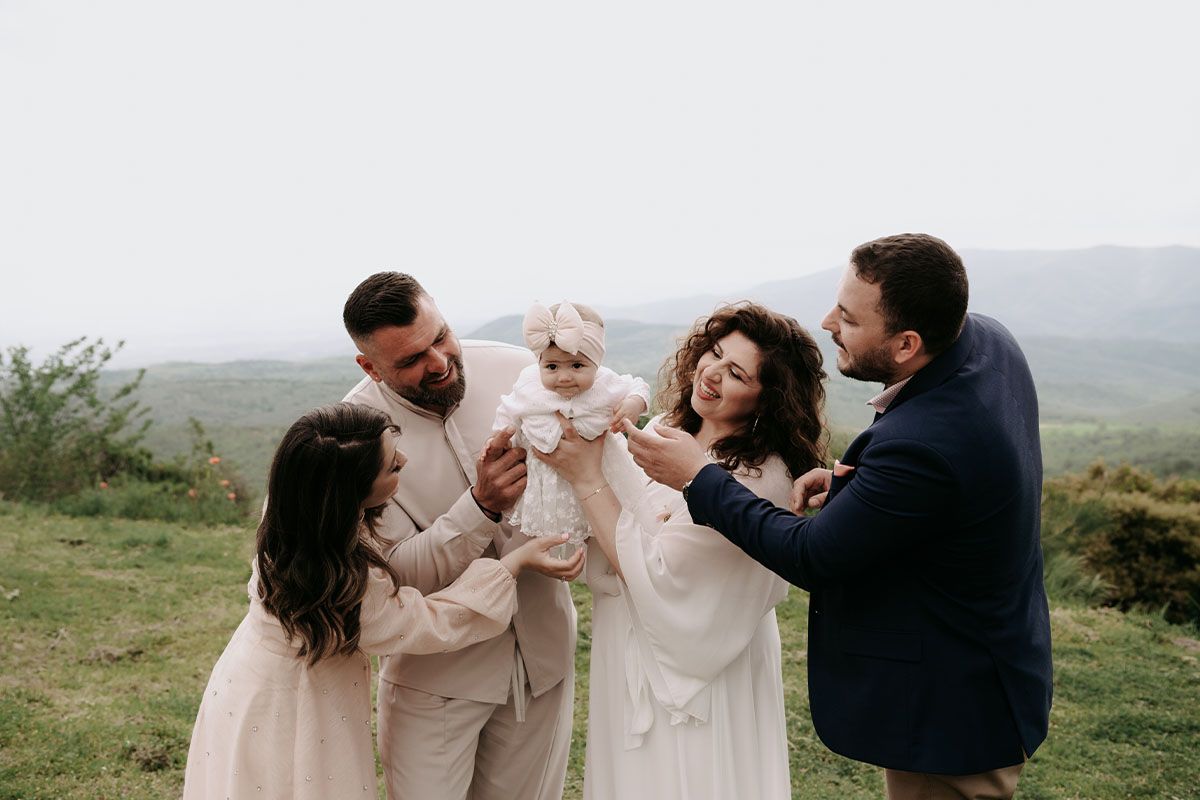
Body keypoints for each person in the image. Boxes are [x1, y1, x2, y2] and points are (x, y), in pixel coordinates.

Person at [626, 234, 1053, 800]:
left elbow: (812, 555)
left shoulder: (925, 441)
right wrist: (868, 489)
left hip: (953, 702)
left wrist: (700, 477)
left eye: (849, 319)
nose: (828, 322)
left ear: (906, 343)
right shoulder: (986, 340)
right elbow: (948, 477)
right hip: (993, 653)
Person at [340, 273, 648, 799]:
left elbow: (608, 432)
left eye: (441, 337)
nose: (438, 362)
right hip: (437, 681)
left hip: (542, 662)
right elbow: (395, 577)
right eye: (411, 360)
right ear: (370, 367)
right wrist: (480, 506)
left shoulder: (521, 370)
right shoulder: (355, 438)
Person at [182, 403, 572, 799]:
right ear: (352, 490)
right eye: (391, 467)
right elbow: (429, 622)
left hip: (243, 682)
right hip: (298, 700)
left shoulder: (293, 527)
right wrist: (511, 565)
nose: (403, 461)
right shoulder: (345, 587)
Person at [540, 302, 828, 800]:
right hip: (627, 642)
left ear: (768, 399)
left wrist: (586, 477)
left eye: (736, 373)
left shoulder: (760, 477)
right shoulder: (664, 431)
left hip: (696, 677)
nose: (712, 373)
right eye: (714, 353)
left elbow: (663, 578)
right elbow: (620, 522)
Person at [493, 300, 649, 558]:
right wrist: (500, 439)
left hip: (602, 475)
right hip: (545, 481)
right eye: (552, 367)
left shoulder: (605, 383)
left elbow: (638, 386)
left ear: (596, 363)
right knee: (527, 537)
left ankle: (607, 571)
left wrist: (634, 403)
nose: (564, 377)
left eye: (577, 365)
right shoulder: (530, 382)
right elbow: (508, 410)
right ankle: (514, 566)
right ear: (540, 362)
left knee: (610, 533)